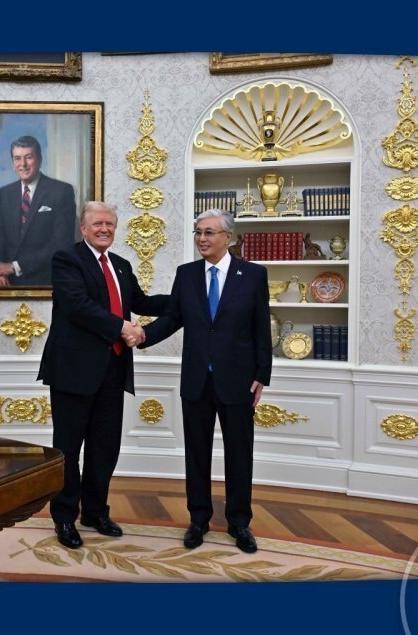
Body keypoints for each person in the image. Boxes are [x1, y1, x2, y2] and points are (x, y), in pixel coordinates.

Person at [37, 201, 168, 549]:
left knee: (104, 447)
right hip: (73, 371)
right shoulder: (67, 259)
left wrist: (186, 298)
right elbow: (78, 306)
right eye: (97, 223)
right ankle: (65, 517)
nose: (104, 229)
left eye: (110, 223)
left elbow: (141, 301)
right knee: (68, 449)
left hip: (113, 369)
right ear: (83, 228)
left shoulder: (121, 265)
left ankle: (95, 512)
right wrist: (123, 327)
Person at [140, 209, 272, 553]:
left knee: (239, 454)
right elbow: (172, 318)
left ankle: (239, 522)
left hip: (239, 381)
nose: (202, 238)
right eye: (198, 232)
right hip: (197, 379)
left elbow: (261, 326)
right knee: (196, 454)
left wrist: (262, 375)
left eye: (209, 232)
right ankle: (198, 519)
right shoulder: (186, 275)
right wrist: (142, 336)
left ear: (228, 237)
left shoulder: (253, 275)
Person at [0, 135, 77, 286]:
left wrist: (13, 267)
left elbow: (61, 245)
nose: (23, 164)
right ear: (12, 163)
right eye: (17, 158)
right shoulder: (5, 193)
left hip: (42, 273)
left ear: (39, 160)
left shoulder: (61, 191)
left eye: (28, 157)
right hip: (4, 271)